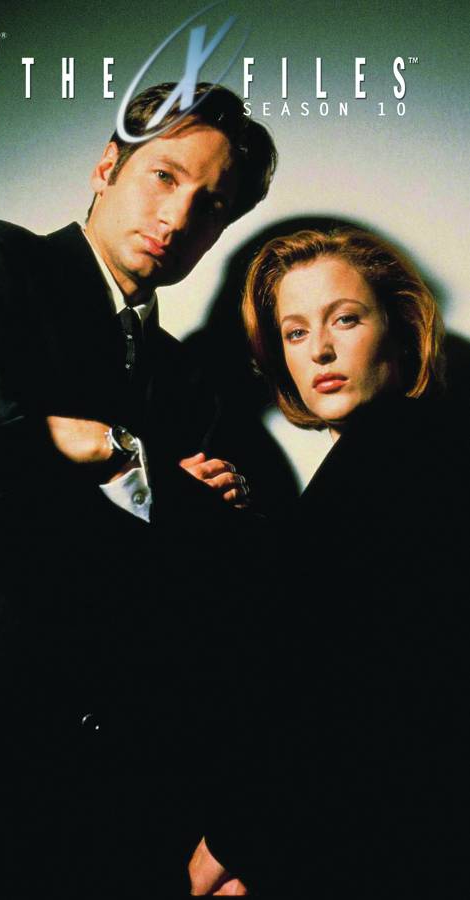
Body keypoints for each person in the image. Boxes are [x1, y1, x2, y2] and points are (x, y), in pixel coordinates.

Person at [0, 82, 277, 897]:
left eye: (210, 205)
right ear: (106, 167)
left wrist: (88, 449)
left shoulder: (184, 378)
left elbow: (188, 580)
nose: (179, 216)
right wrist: (141, 470)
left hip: (90, 772)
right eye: (164, 176)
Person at [190, 228, 468, 896]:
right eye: (294, 332)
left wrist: (232, 846)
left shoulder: (395, 452)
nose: (319, 349)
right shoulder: (388, 457)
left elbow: (352, 697)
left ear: (399, 328)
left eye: (345, 319)